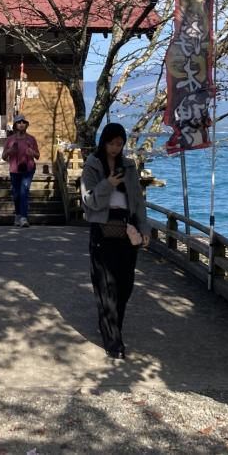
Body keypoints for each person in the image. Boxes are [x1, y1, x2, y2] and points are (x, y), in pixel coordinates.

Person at [80, 122, 152, 359]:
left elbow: (138, 201)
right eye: (111, 143)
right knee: (106, 285)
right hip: (103, 228)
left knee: (125, 284)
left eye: (119, 144)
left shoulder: (129, 165)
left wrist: (145, 228)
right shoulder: (93, 164)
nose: (115, 148)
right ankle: (113, 342)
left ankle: (113, 326)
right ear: (104, 142)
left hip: (127, 228)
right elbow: (89, 201)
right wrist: (108, 183)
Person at [2, 114, 39, 227]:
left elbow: (37, 156)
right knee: (16, 194)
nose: (21, 124)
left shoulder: (31, 139)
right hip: (14, 169)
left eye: (23, 122)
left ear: (26, 125)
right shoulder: (10, 140)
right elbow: (3, 157)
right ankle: (18, 215)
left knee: (24, 193)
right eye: (19, 122)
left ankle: (24, 217)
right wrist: (10, 151)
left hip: (28, 169)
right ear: (15, 125)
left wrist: (32, 153)